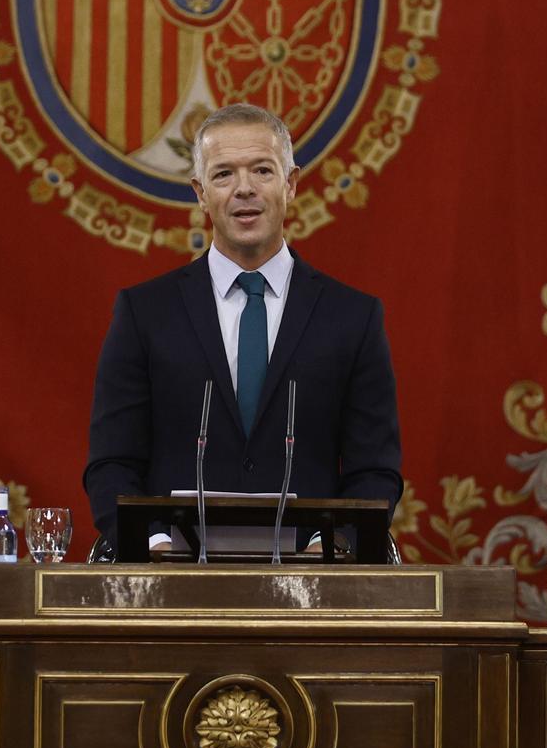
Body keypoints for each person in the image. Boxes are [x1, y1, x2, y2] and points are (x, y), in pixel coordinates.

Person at [82, 103, 403, 551]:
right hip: (172, 585)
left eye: (262, 171)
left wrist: (330, 550)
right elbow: (112, 463)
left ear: (290, 184)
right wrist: (154, 546)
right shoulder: (144, 313)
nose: (244, 189)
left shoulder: (352, 316)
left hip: (312, 589)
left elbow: (376, 470)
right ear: (200, 192)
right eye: (223, 175)